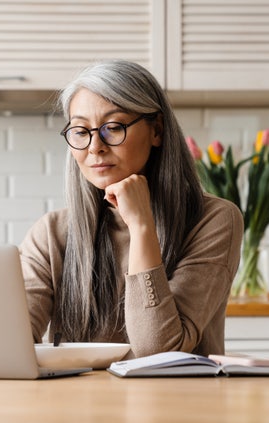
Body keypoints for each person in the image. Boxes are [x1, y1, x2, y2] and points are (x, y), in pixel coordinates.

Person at [19, 60, 243, 358]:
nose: (95, 146)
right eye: (80, 131)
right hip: (76, 403)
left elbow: (157, 350)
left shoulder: (213, 220)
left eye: (113, 127)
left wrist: (141, 226)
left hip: (181, 402)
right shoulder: (51, 233)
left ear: (157, 130)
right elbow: (9, 341)